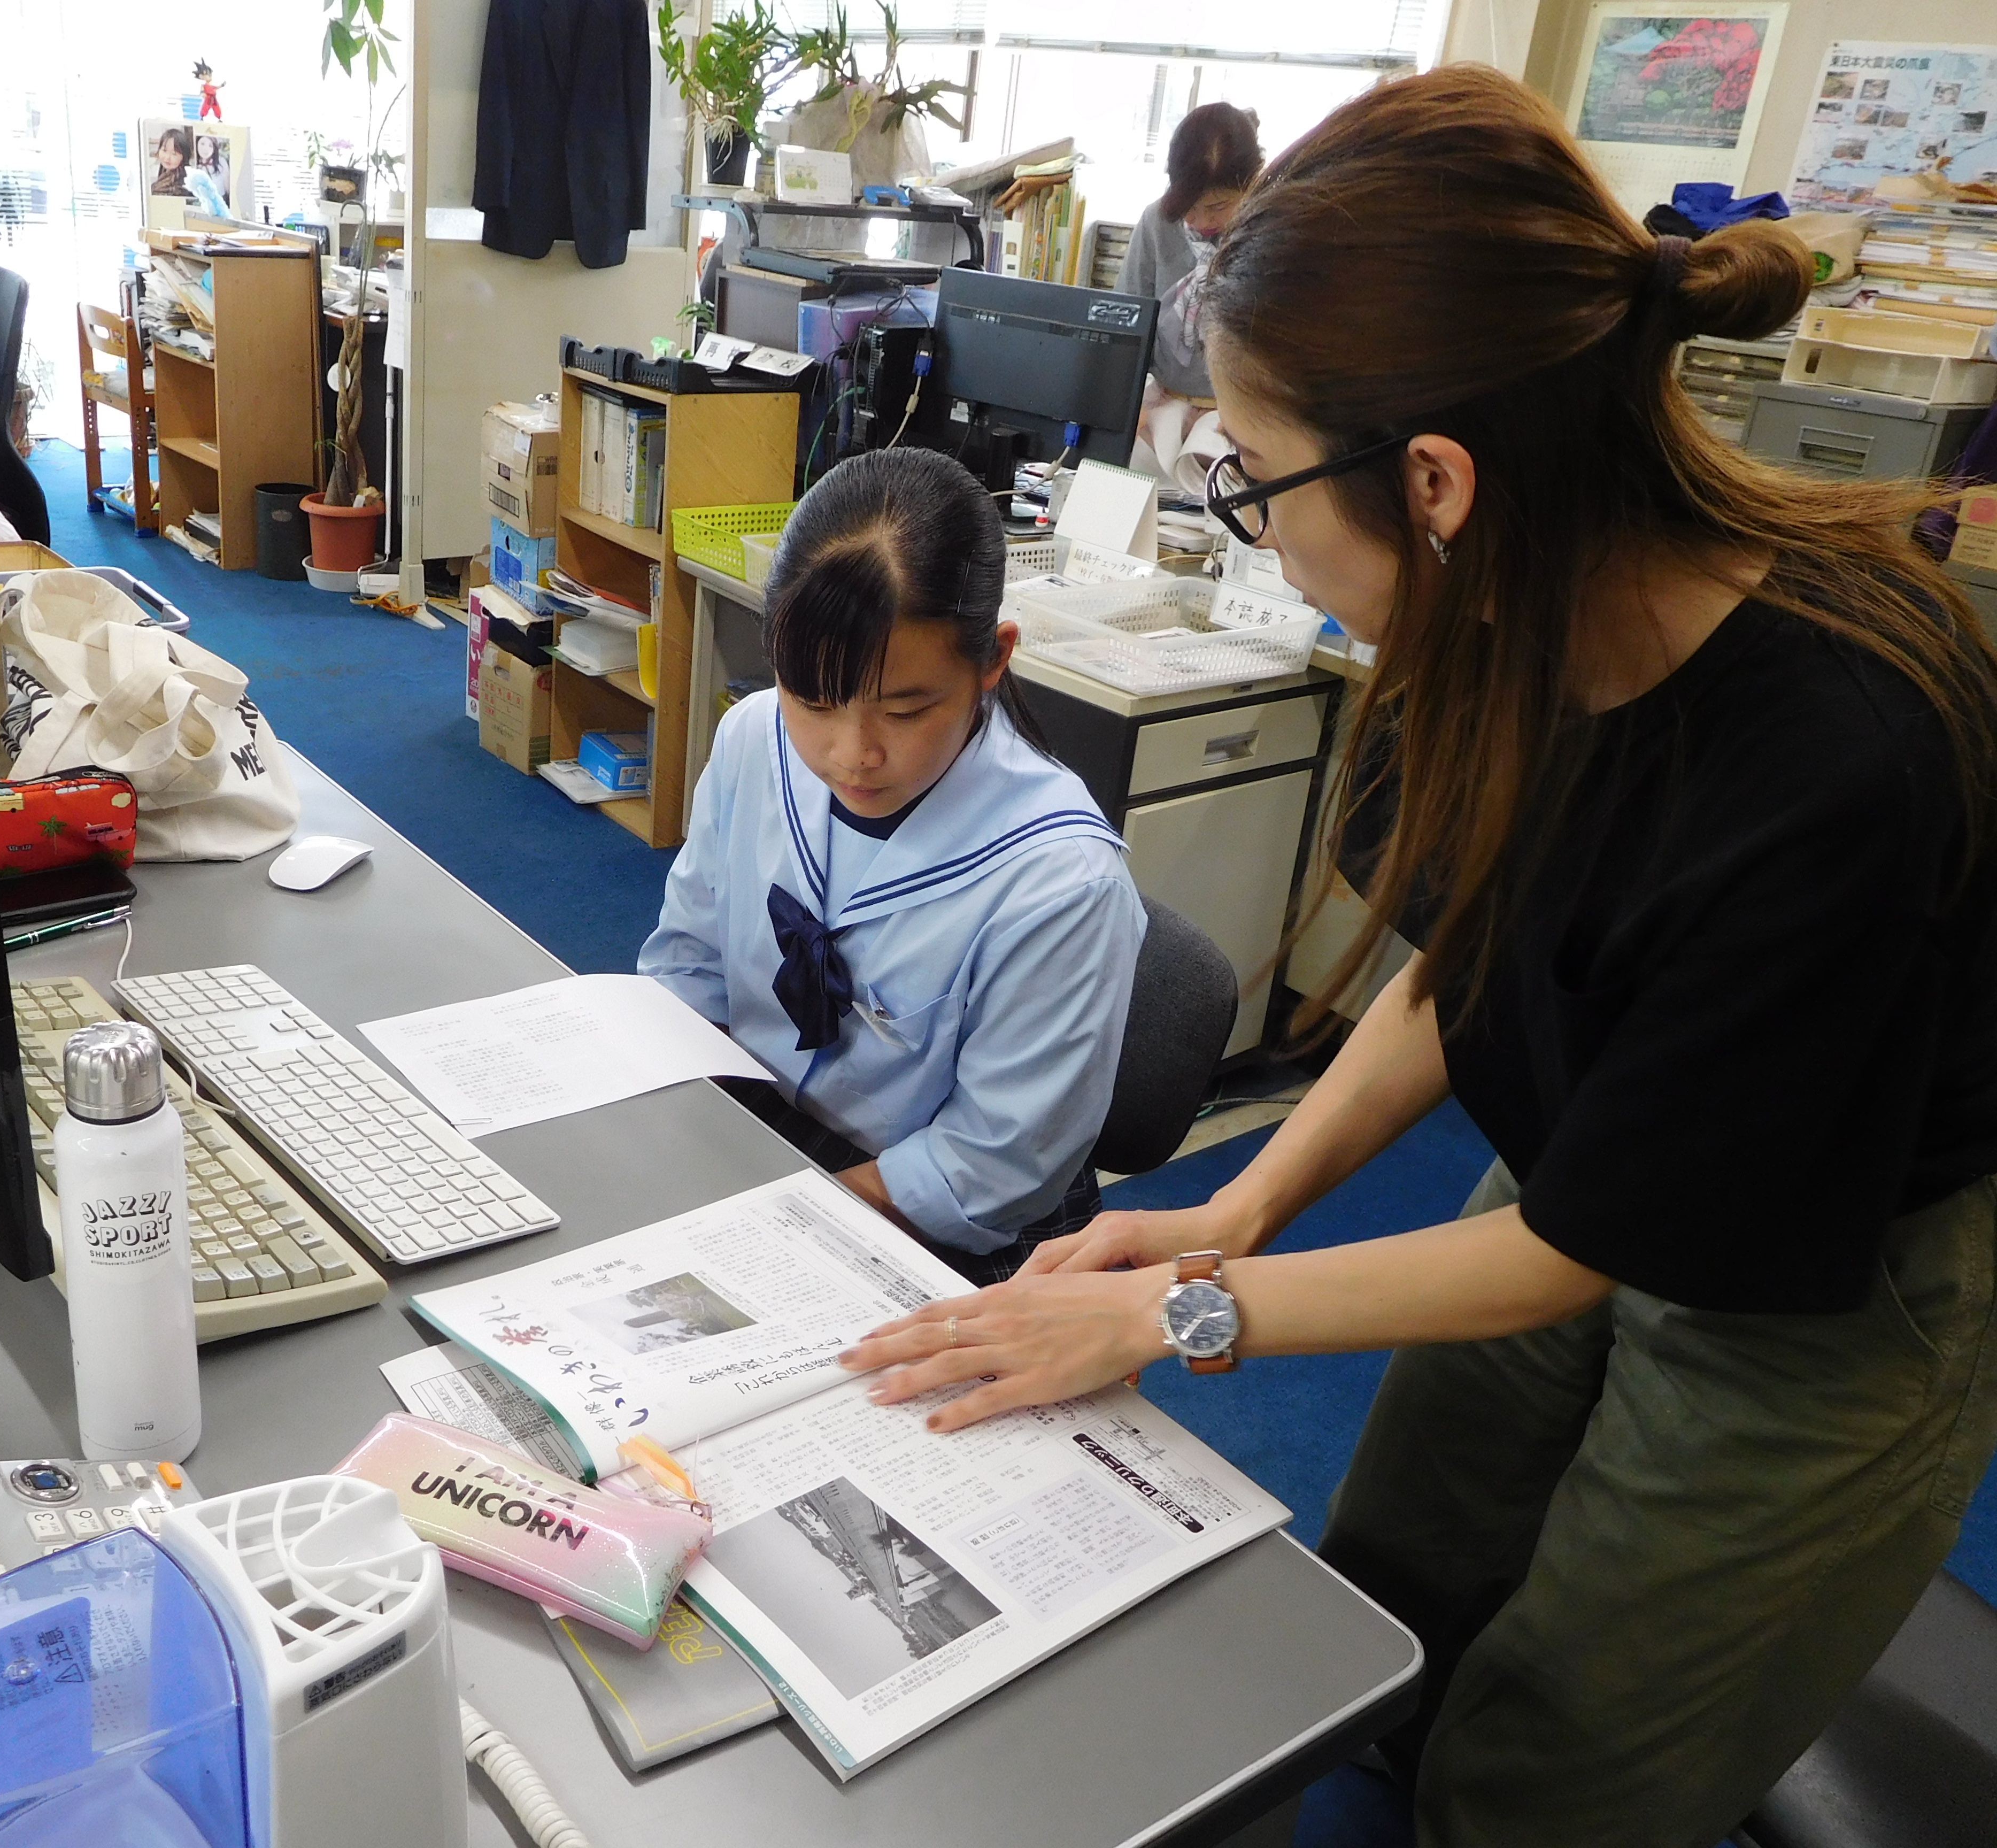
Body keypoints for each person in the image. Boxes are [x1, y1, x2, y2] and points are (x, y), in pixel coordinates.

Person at [841, 64, 1997, 1848]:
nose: (1253, 517)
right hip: (1586, 1152)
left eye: (1253, 475)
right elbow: (1471, 965)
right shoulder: (1514, 612)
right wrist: (1233, 1214)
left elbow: (1581, 1249)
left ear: (1436, 480)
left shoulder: (1836, 757)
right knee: (1398, 1593)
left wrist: (1174, 1309)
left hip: (1816, 1276)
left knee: (1553, 1770)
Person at [641, 448, 1147, 1287]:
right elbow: (688, 967)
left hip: (948, 1217)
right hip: (770, 1132)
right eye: (813, 700)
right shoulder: (754, 738)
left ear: (993, 660)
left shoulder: (1061, 883)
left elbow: (989, 1166)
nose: (853, 753)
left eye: (906, 709)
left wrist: (770, 1231)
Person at [1117, 101, 1261, 409]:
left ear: (1251, 184)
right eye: (1190, 207)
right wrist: (1125, 404)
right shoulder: (1158, 222)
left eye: (1218, 207)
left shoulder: (1266, 232)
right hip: (1164, 399)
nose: (1202, 220)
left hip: (1241, 409)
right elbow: (1126, 318)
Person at [150, 126, 191, 199]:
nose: (168, 157)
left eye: (174, 154)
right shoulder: (164, 173)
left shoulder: (181, 188)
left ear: (184, 157)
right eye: (164, 150)